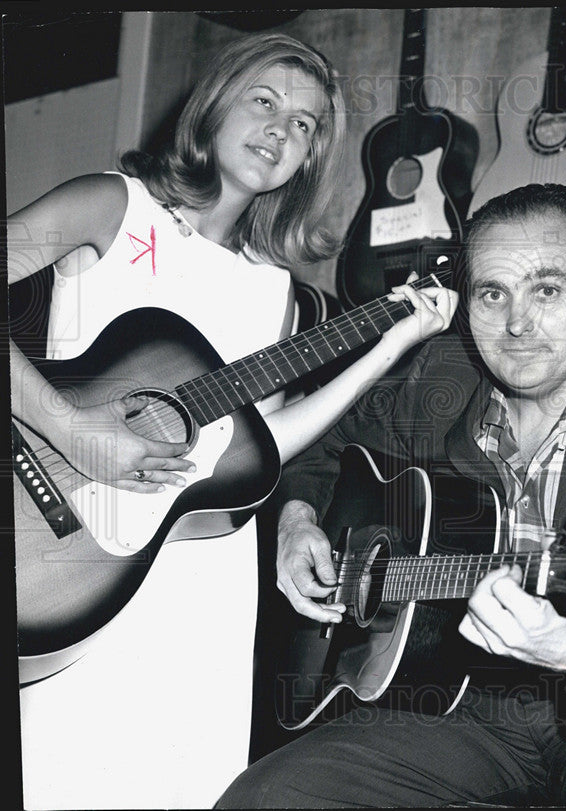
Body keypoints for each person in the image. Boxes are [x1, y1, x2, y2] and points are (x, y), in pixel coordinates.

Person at [10, 33, 457, 809]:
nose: (283, 130)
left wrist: (391, 344)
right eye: (265, 102)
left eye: (307, 126)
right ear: (213, 106)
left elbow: (261, 449)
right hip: (76, 543)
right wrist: (75, 430)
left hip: (205, 587)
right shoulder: (112, 205)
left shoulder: (274, 290)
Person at [217, 183, 566, 808]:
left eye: (546, 290)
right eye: (492, 294)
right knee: (268, 797)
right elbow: (321, 439)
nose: (517, 324)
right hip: (454, 704)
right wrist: (296, 521)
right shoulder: (439, 382)